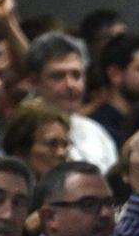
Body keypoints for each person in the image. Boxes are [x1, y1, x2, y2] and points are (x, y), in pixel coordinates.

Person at [21, 30, 118, 171]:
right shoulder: (21, 131)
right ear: (33, 82)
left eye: (76, 75)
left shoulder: (96, 132)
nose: (71, 85)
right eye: (58, 76)